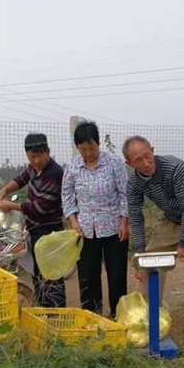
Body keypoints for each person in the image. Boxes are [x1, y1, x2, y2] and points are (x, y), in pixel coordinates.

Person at [123, 136, 184, 341]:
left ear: (153, 150)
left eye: (148, 156)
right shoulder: (133, 184)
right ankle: (146, 320)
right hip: (173, 219)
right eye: (139, 160)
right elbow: (136, 218)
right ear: (129, 164)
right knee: (147, 262)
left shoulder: (175, 168)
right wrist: (139, 253)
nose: (146, 163)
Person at [62, 121, 129, 318]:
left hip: (114, 227)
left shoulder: (114, 163)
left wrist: (124, 221)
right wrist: (73, 222)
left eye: (91, 147)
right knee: (88, 275)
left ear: (98, 143)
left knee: (116, 273)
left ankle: (118, 315)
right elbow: (67, 197)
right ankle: (92, 316)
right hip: (85, 229)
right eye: (83, 149)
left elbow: (125, 194)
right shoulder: (73, 167)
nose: (88, 153)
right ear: (78, 148)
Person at [0, 133, 66, 307]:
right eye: (32, 156)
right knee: (38, 273)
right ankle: (42, 311)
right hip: (34, 228)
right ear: (27, 155)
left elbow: (39, 207)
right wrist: (4, 190)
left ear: (48, 152)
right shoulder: (33, 168)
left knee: (51, 274)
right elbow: (21, 179)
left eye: (40, 155)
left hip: (49, 229)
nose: (37, 160)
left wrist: (11, 206)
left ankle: (56, 314)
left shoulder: (54, 173)